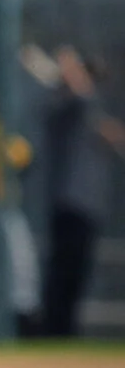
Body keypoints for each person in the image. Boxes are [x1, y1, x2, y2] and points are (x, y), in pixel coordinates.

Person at [26, 45, 124, 337]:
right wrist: (67, 61)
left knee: (76, 275)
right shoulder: (66, 109)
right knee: (62, 274)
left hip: (89, 207)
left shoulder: (89, 114)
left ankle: (63, 331)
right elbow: (82, 95)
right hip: (70, 204)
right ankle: (53, 331)